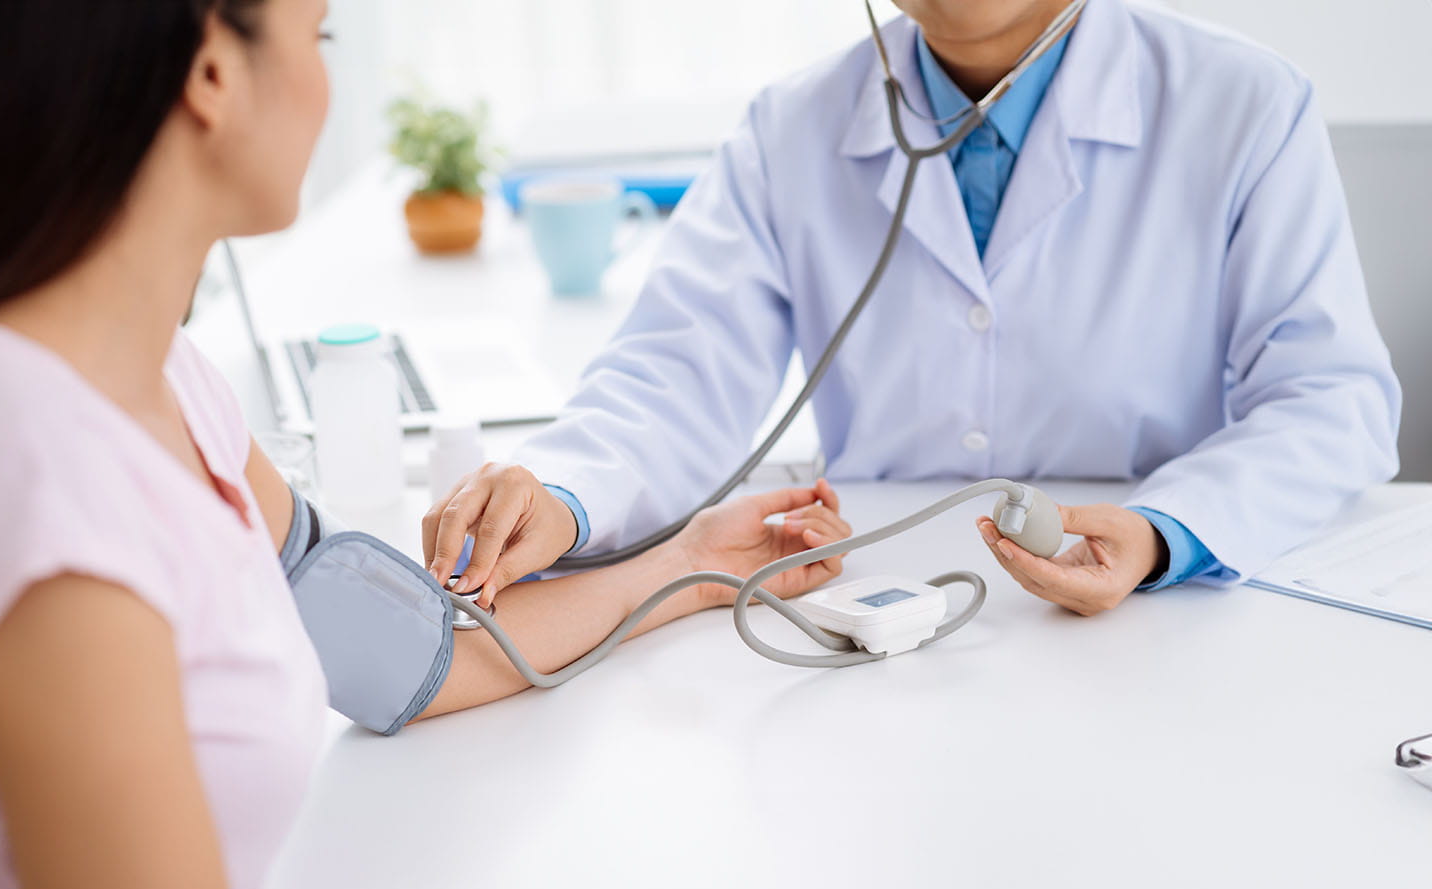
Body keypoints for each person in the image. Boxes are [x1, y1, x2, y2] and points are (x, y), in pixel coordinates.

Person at [0, 1, 853, 889]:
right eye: (314, 32)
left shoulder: (162, 381)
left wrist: (687, 568)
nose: (325, 78)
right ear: (212, 72)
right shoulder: (24, 471)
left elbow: (405, 650)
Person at [425, 0, 1401, 618]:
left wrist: (1162, 532)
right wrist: (561, 494)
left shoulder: (1243, 104)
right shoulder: (789, 128)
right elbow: (676, 375)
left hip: (1147, 623)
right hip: (860, 614)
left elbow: (1330, 401)